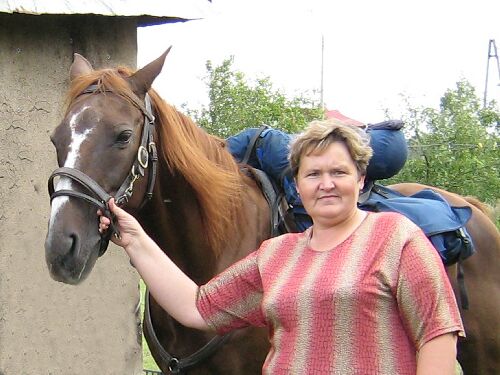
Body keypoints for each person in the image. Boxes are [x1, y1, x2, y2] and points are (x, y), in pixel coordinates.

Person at [99, 119, 464, 374]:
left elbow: (437, 333)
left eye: (339, 172)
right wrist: (134, 239)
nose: (326, 184)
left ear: (361, 178)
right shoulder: (277, 254)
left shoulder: (397, 238)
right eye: (313, 174)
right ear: (298, 184)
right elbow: (198, 307)